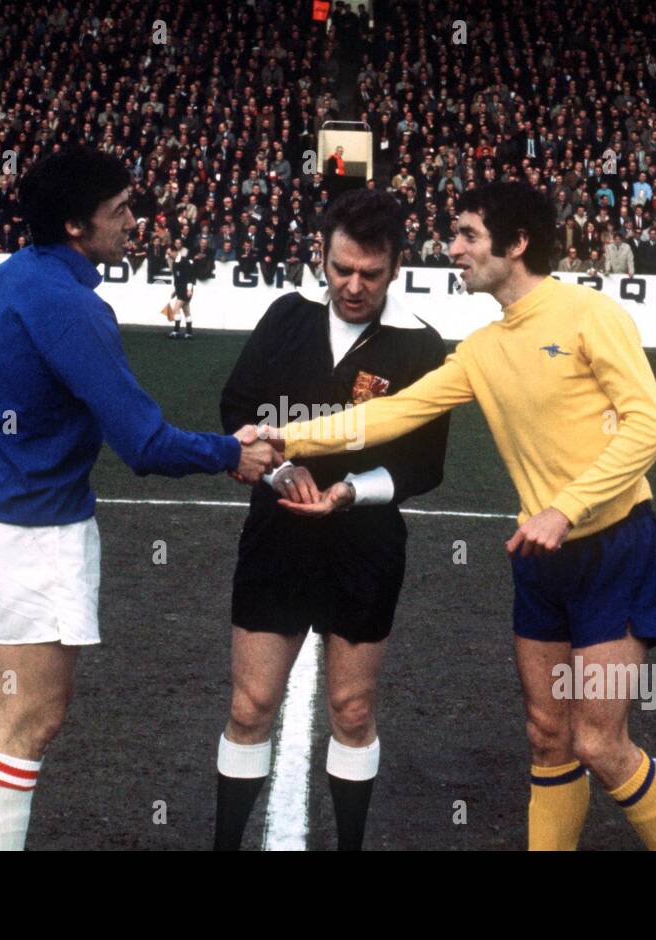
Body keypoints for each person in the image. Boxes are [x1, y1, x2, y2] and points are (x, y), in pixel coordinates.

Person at [270, 182, 656, 851]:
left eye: (467, 234)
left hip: (616, 553)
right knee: (548, 738)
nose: (453, 247)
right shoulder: (483, 349)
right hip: (541, 561)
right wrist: (283, 440)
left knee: (598, 742)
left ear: (516, 243)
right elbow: (393, 412)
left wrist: (565, 508)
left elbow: (650, 427)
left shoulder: (589, 314)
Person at [0, 146, 280, 851]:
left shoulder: (7, 276)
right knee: (27, 724)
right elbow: (144, 444)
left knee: (12, 717)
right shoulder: (75, 308)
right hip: (36, 538)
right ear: (76, 225)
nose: (135, 221)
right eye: (121, 210)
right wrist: (233, 452)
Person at [211, 189, 450, 851]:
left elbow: (426, 465)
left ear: (397, 267)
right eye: (341, 268)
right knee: (250, 706)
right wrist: (282, 471)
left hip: (365, 544)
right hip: (277, 534)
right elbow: (237, 405)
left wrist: (348, 493)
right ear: (320, 254)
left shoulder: (422, 347)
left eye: (370, 274)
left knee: (351, 710)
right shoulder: (286, 317)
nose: (353, 285)